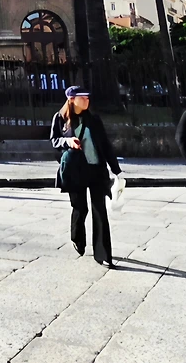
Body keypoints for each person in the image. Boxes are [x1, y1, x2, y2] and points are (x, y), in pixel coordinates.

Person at [51, 86, 122, 267]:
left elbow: (105, 145)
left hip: (96, 170)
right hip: (75, 170)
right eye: (82, 98)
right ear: (72, 99)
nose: (87, 101)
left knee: (100, 211)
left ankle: (103, 254)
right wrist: (67, 141)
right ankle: (77, 237)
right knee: (80, 208)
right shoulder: (60, 118)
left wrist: (116, 170)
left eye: (88, 98)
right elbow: (54, 140)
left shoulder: (94, 119)